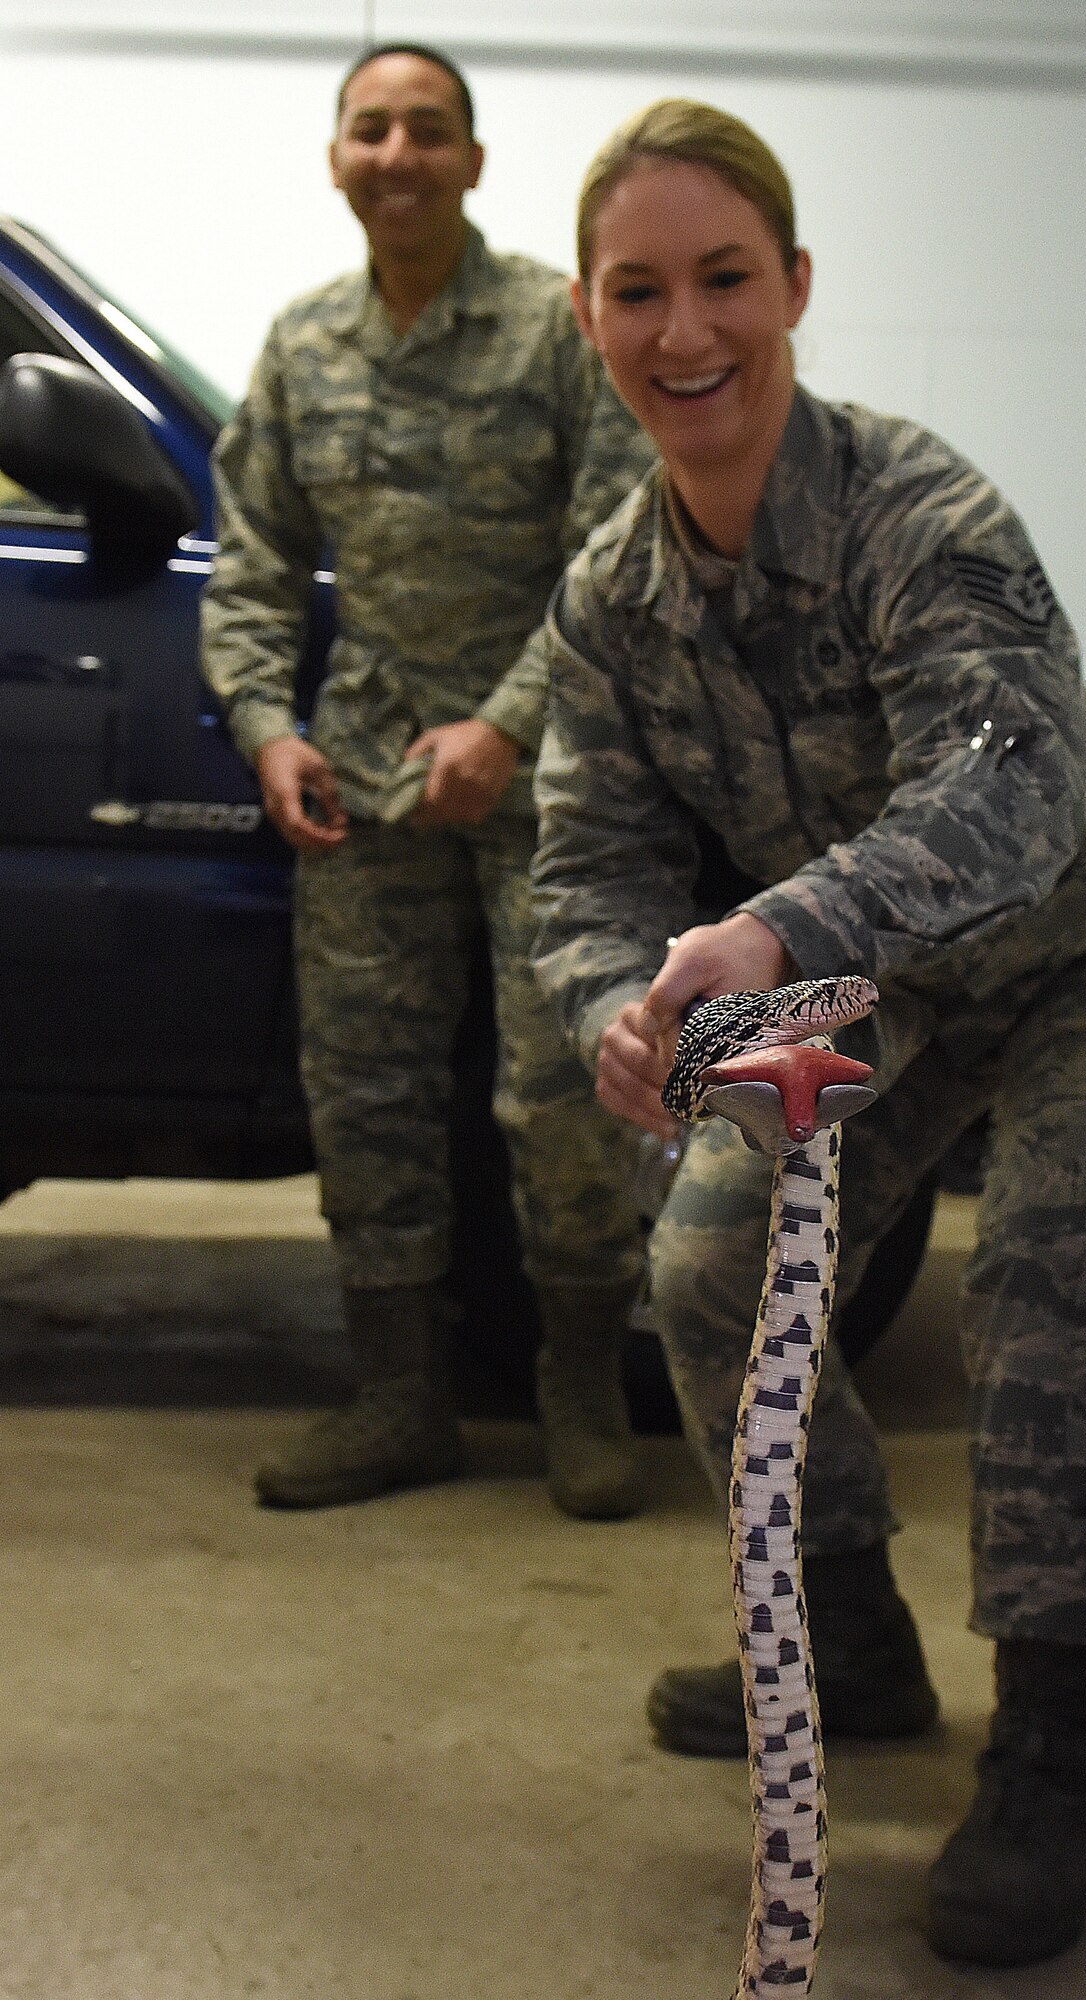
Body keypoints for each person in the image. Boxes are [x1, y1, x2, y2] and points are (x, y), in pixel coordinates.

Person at [529, 99, 1086, 1966]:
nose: (685, 332)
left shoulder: (919, 508)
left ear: (792, 289)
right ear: (592, 321)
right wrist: (620, 1008)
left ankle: (1048, 1749)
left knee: (1052, 1268)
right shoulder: (611, 598)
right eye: (639, 291)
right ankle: (848, 1647)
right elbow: (587, 862)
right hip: (885, 990)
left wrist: (771, 935)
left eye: (722, 280)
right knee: (704, 1265)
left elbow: (1017, 788)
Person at [200, 44, 657, 1520]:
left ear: (471, 160)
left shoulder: (552, 330)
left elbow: (614, 554)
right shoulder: (304, 345)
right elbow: (253, 566)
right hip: (365, 782)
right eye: (370, 128)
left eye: (428, 130)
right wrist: (269, 724)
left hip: (552, 782)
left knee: (566, 1094)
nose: (397, 152)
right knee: (369, 1094)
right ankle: (398, 1399)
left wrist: (509, 727)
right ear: (338, 159)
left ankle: (579, 1394)